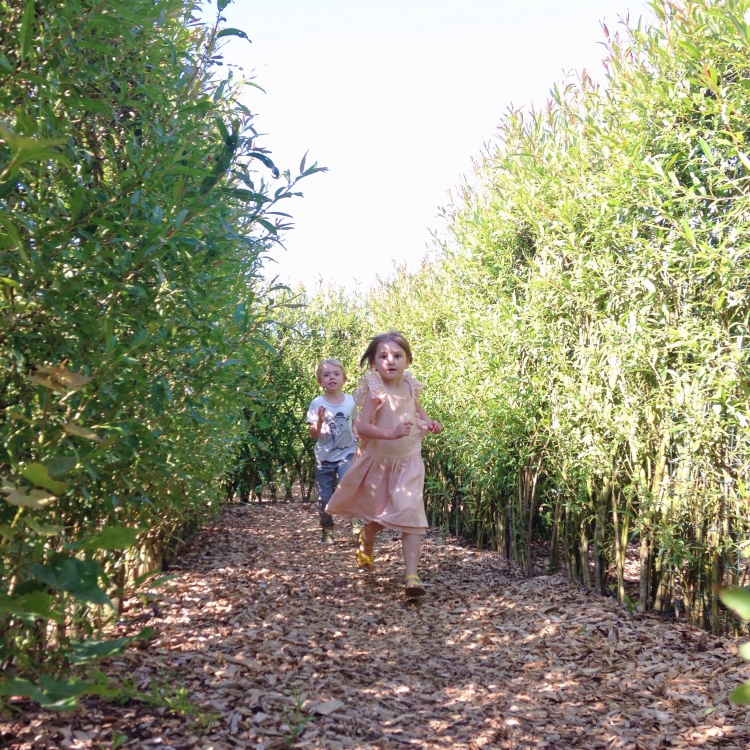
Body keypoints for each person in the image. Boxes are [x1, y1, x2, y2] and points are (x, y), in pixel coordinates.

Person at [325, 332, 442, 598]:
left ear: (408, 360)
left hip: (409, 461)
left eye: (397, 356)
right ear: (373, 363)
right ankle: (366, 543)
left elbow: (421, 417)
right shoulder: (376, 391)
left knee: (410, 514)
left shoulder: (411, 387)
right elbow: (362, 427)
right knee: (376, 519)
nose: (391, 361)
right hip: (380, 462)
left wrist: (433, 425)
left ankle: (412, 577)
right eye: (383, 356)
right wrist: (390, 433)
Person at [306, 359, 360, 544]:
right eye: (327, 375)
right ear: (320, 381)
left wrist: (361, 436)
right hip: (324, 458)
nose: (332, 378)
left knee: (348, 487)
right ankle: (328, 528)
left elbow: (355, 423)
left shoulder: (351, 401)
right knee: (323, 499)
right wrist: (319, 421)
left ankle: (355, 518)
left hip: (347, 453)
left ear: (344, 379)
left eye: (336, 374)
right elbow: (313, 434)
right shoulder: (317, 403)